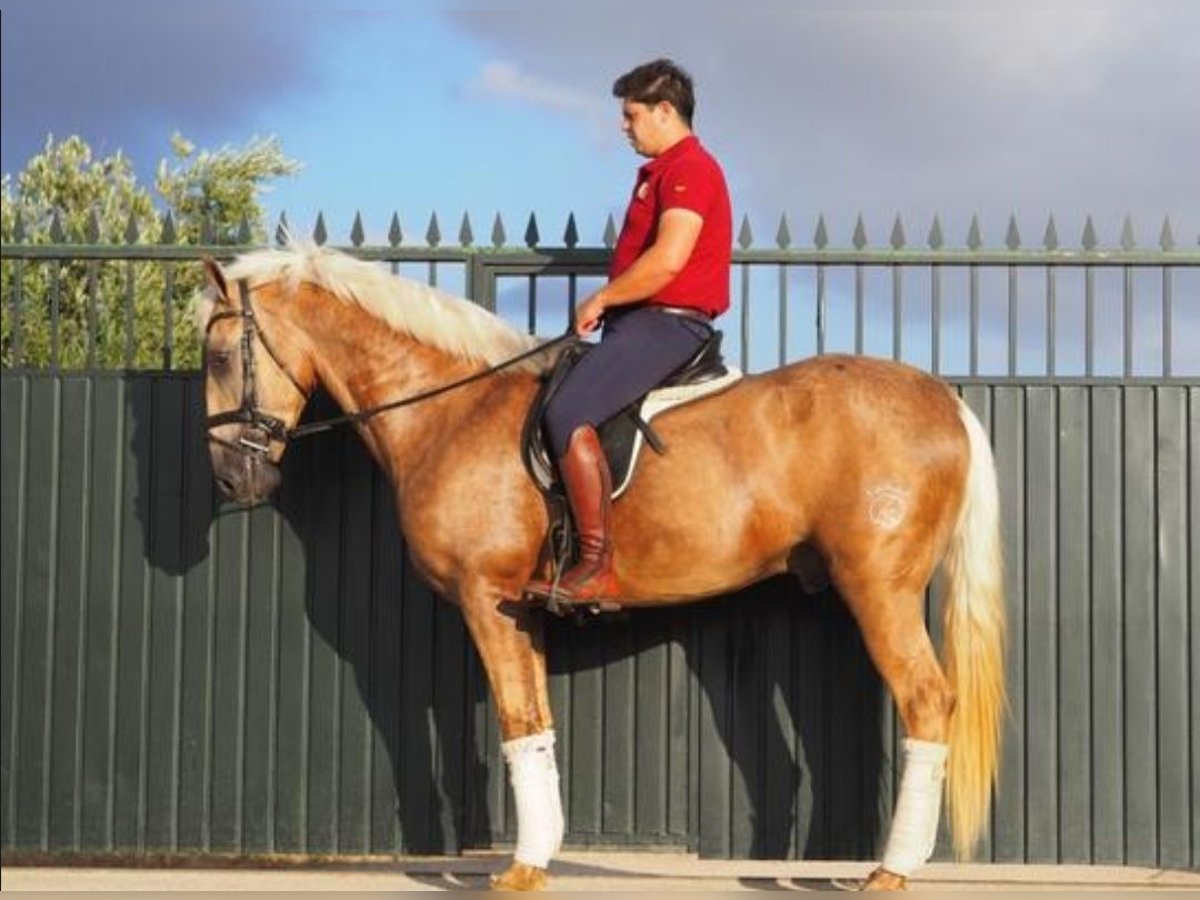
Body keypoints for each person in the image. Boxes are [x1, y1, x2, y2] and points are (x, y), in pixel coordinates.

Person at [525, 58, 733, 606]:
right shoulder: (664, 170)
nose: (623, 126)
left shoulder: (690, 168)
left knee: (566, 413)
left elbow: (668, 261)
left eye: (631, 114)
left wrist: (602, 296)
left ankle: (596, 565)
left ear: (665, 111)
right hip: (642, 323)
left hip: (669, 324)